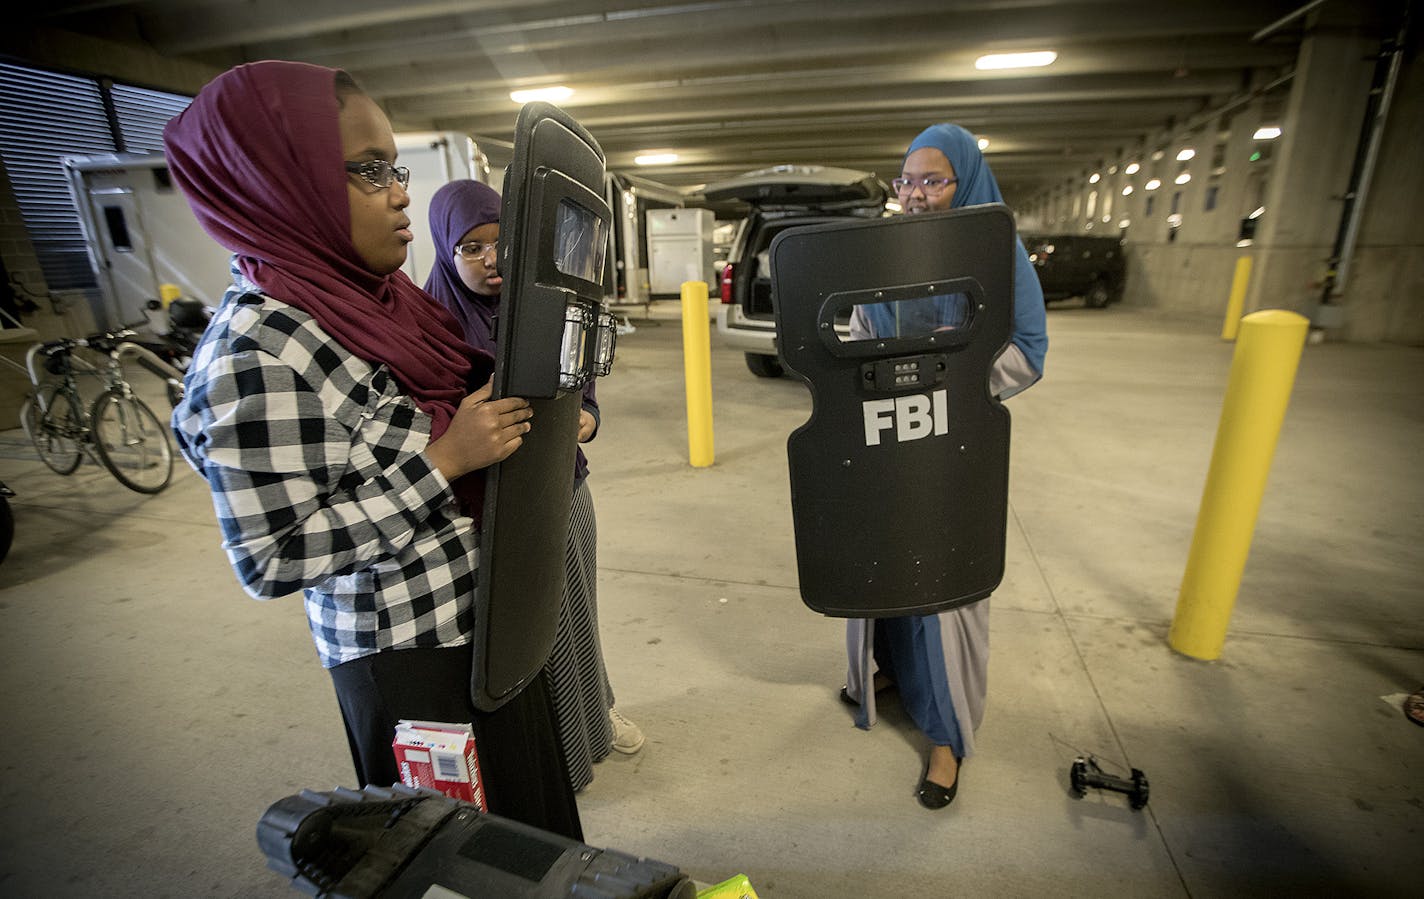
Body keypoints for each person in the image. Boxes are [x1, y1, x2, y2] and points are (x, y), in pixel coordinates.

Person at [164, 60, 581, 839]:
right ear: (275, 180)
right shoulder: (257, 349)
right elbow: (271, 556)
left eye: (395, 167)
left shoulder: (377, 301)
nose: (399, 191)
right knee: (464, 862)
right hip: (412, 666)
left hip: (487, 629)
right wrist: (447, 462)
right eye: (368, 170)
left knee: (537, 843)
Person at [841, 123, 1049, 810]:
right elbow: (864, 328)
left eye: (934, 180)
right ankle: (897, 672)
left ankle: (945, 737)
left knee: (945, 587)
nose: (918, 195)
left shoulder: (997, 249)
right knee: (892, 568)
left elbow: (1028, 348)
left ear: (967, 181)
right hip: (890, 437)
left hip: (959, 446)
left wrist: (952, 378)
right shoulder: (891, 248)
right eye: (909, 181)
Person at [423, 179, 644, 792]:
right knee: (530, 633)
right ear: (446, 251)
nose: (492, 260)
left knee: (578, 613)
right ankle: (564, 755)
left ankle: (594, 718)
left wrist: (588, 419)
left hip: (566, 489)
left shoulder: (544, 300)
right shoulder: (428, 323)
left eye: (503, 242)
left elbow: (583, 382)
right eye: (471, 248)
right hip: (497, 507)